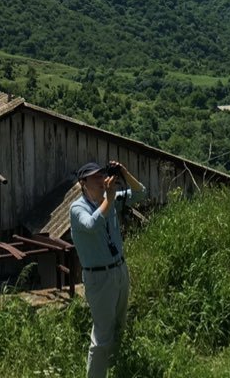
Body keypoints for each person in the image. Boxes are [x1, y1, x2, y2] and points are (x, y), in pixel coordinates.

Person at [69, 160, 146, 378]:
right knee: (102, 336)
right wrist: (109, 199)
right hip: (99, 277)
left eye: (103, 175)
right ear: (83, 182)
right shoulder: (77, 208)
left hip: (119, 270)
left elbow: (142, 193)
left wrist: (124, 172)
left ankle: (115, 369)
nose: (102, 180)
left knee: (119, 325)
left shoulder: (109, 199)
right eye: (95, 177)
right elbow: (91, 225)